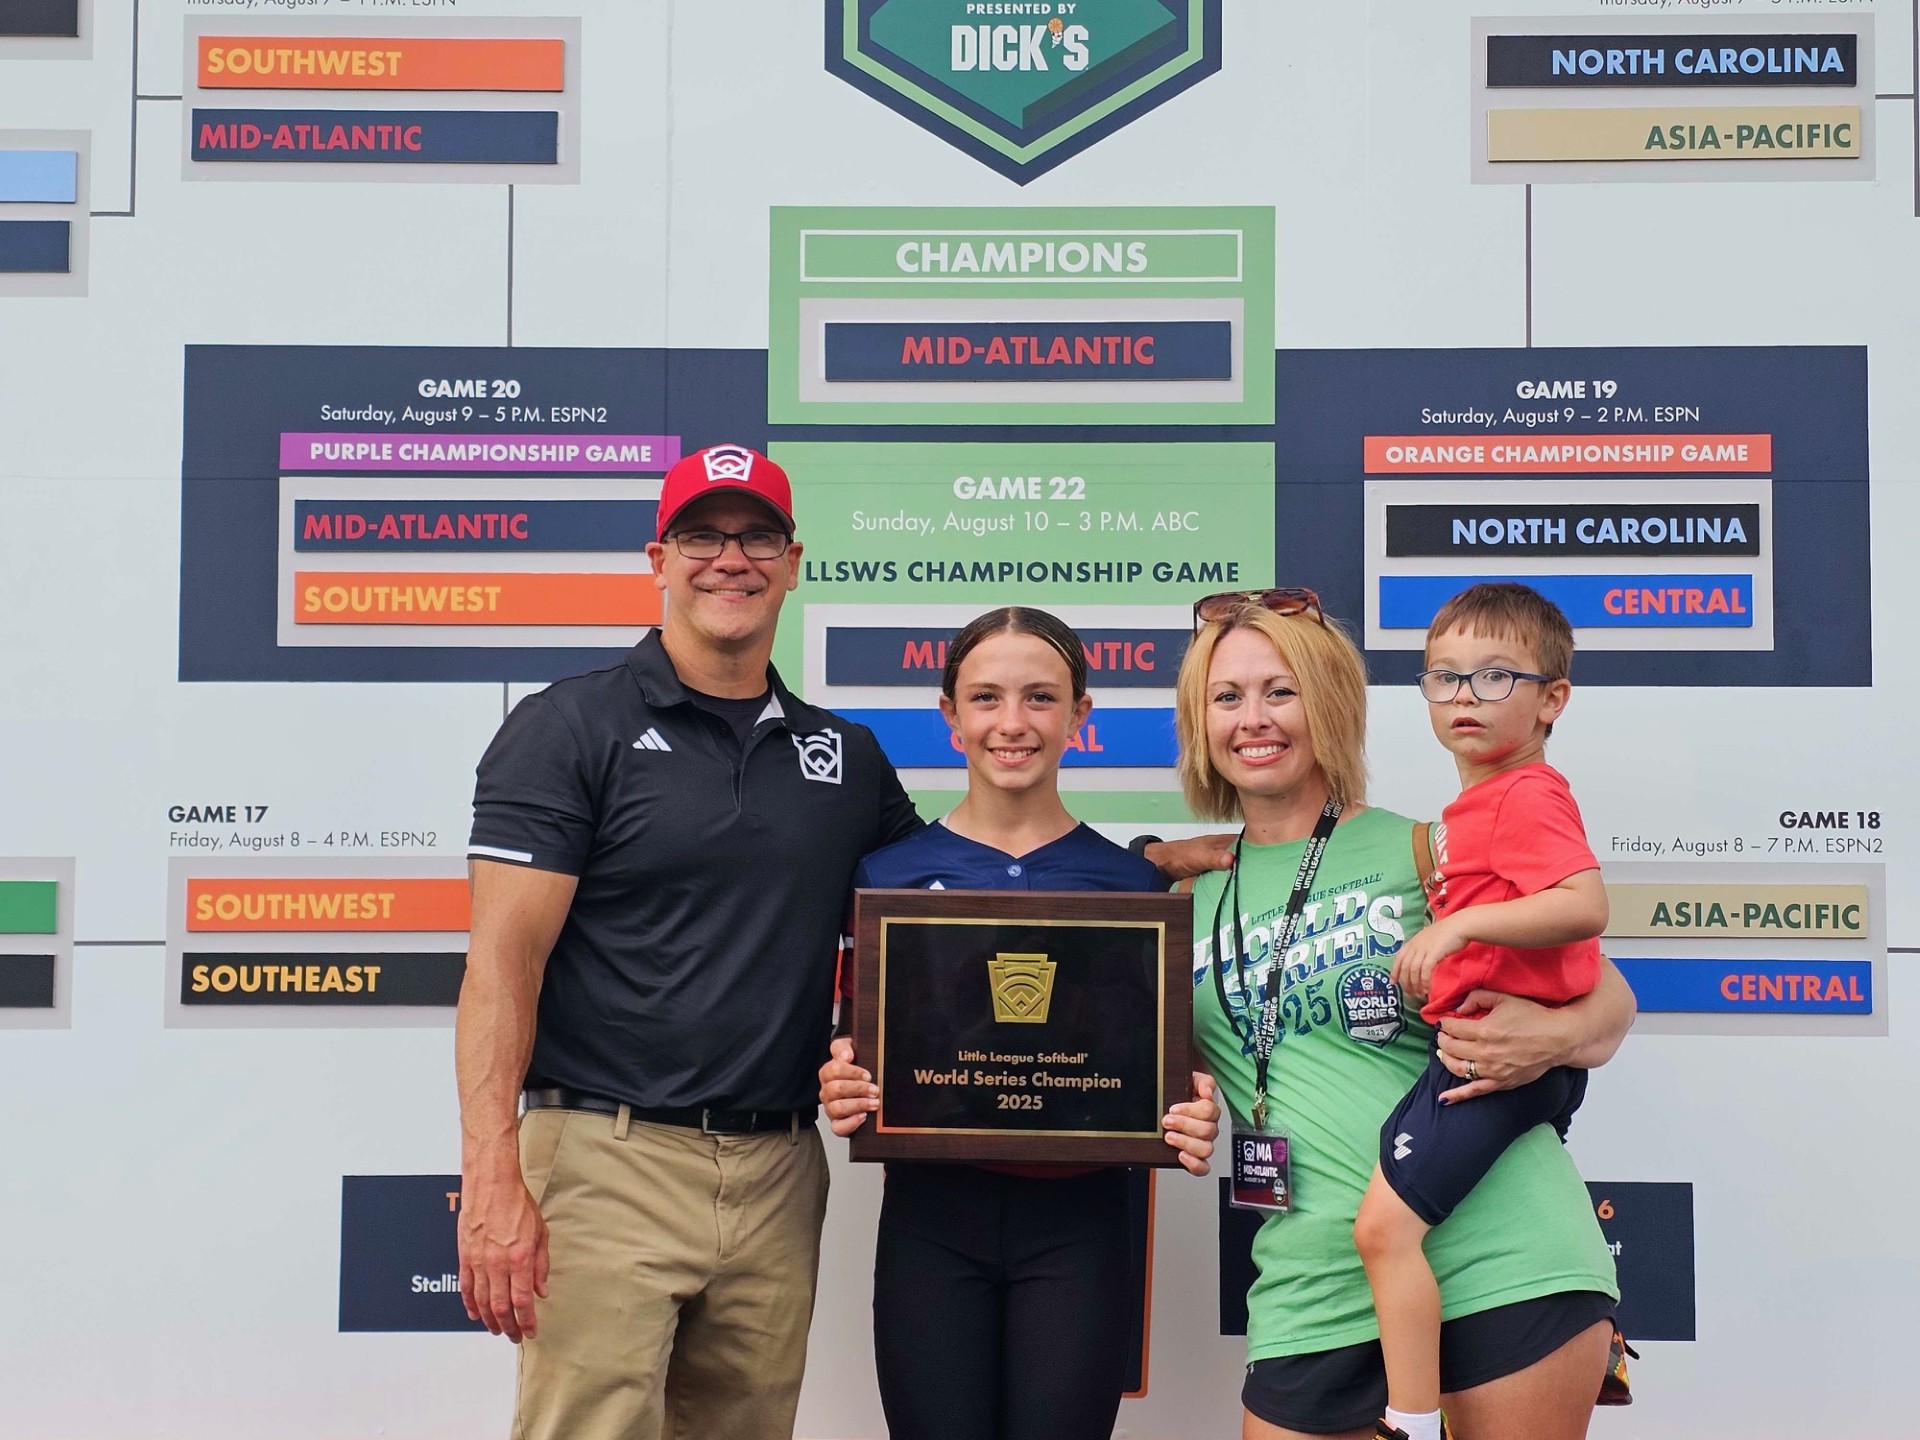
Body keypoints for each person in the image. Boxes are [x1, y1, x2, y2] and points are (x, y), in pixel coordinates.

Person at [454, 444, 925, 1440]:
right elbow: (502, 963)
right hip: (604, 1158)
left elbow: (954, 898)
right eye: (702, 537)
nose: (731, 560)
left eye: (756, 537)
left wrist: (1145, 858)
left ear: (794, 562)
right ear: (657, 559)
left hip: (781, 1169)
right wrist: (493, 1168)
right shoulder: (570, 725)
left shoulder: (843, 754)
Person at [1174, 588, 1635, 1440]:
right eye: (1226, 697)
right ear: (1199, 722)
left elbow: (1608, 994)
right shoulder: (1181, 899)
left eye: (1282, 691)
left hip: (1498, 1260)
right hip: (1308, 1287)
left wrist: (1555, 1035)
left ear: (1333, 705)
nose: (1254, 719)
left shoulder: (1430, 847)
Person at [817, 605, 1222, 1440]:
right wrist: (844, 1078)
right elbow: (853, 1040)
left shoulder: (1134, 890)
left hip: (1083, 1232)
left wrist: (1188, 1105)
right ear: (949, 717)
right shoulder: (885, 877)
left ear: (1080, 717)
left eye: (1040, 698)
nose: (1012, 723)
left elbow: (1155, 1070)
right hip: (931, 1225)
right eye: (986, 698)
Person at [1353, 583, 1609, 1440]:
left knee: (1383, 1231)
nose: (1466, 696)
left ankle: (1411, 1422)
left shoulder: (1528, 794)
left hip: (1498, 1067)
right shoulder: (1468, 810)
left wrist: (1459, 924)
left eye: (1497, 677)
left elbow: (1583, 905)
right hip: (1482, 1056)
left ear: (1553, 700)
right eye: (1445, 677)